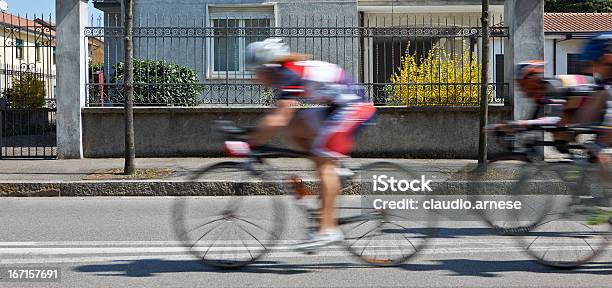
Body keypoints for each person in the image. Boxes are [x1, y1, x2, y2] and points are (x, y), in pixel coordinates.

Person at [227, 38, 376, 250]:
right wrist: (253, 137)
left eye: (255, 71)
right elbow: (283, 120)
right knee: (294, 129)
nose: (254, 78)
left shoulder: (289, 74)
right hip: (335, 106)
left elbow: (278, 117)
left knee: (323, 159)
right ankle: (335, 169)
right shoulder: (282, 76)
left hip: (354, 107)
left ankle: (327, 230)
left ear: (267, 67)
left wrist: (249, 143)